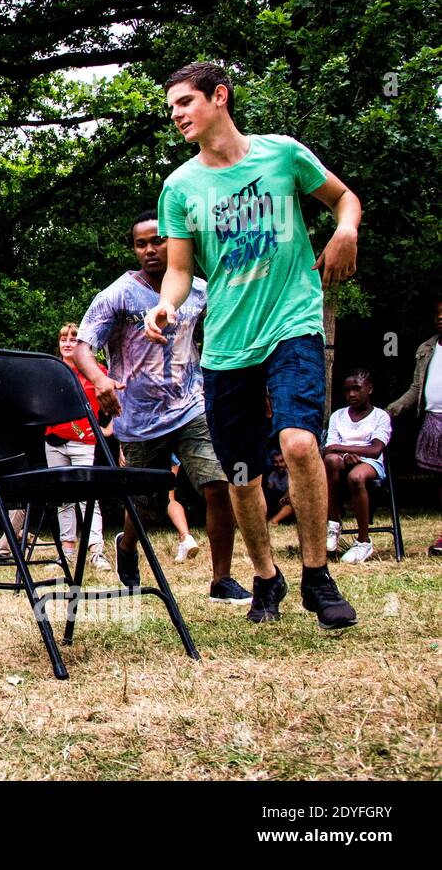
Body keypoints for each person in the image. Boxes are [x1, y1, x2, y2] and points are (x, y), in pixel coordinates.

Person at [146, 61, 359, 629]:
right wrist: (167, 303)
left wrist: (345, 231)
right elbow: (180, 271)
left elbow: (345, 199)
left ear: (220, 96)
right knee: (241, 471)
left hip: (292, 322)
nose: (177, 115)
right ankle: (267, 576)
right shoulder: (180, 187)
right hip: (227, 345)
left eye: (185, 102)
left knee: (297, 443)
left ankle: (318, 574)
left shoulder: (282, 154)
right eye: (171, 109)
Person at [75, 210, 248, 604]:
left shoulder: (199, 291)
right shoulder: (119, 294)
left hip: (191, 406)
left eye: (158, 240)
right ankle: (126, 544)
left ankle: (222, 579)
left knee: (218, 485)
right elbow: (84, 344)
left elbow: (228, 329)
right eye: (141, 244)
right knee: (142, 501)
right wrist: (100, 380)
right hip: (137, 415)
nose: (150, 250)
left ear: (175, 242)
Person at [49, 322, 111, 571]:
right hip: (54, 440)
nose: (67, 343)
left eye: (73, 339)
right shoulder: (52, 371)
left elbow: (121, 396)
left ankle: (96, 550)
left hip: (83, 440)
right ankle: (66, 552)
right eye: (63, 338)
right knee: (62, 498)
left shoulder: (95, 371)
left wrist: (109, 428)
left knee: (87, 496)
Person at [386, 298, 442, 555]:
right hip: (433, 421)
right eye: (438, 313)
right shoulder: (427, 348)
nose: (440, 317)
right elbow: (416, 389)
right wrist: (391, 410)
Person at [323, 369, 392, 562]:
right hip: (340, 462)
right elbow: (329, 450)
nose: (351, 394)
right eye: (347, 390)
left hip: (369, 463)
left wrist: (341, 448)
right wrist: (344, 454)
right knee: (330, 460)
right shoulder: (338, 416)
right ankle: (334, 523)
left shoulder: (380, 416)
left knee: (356, 477)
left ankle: (363, 541)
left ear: (369, 389)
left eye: (356, 389)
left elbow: (375, 449)